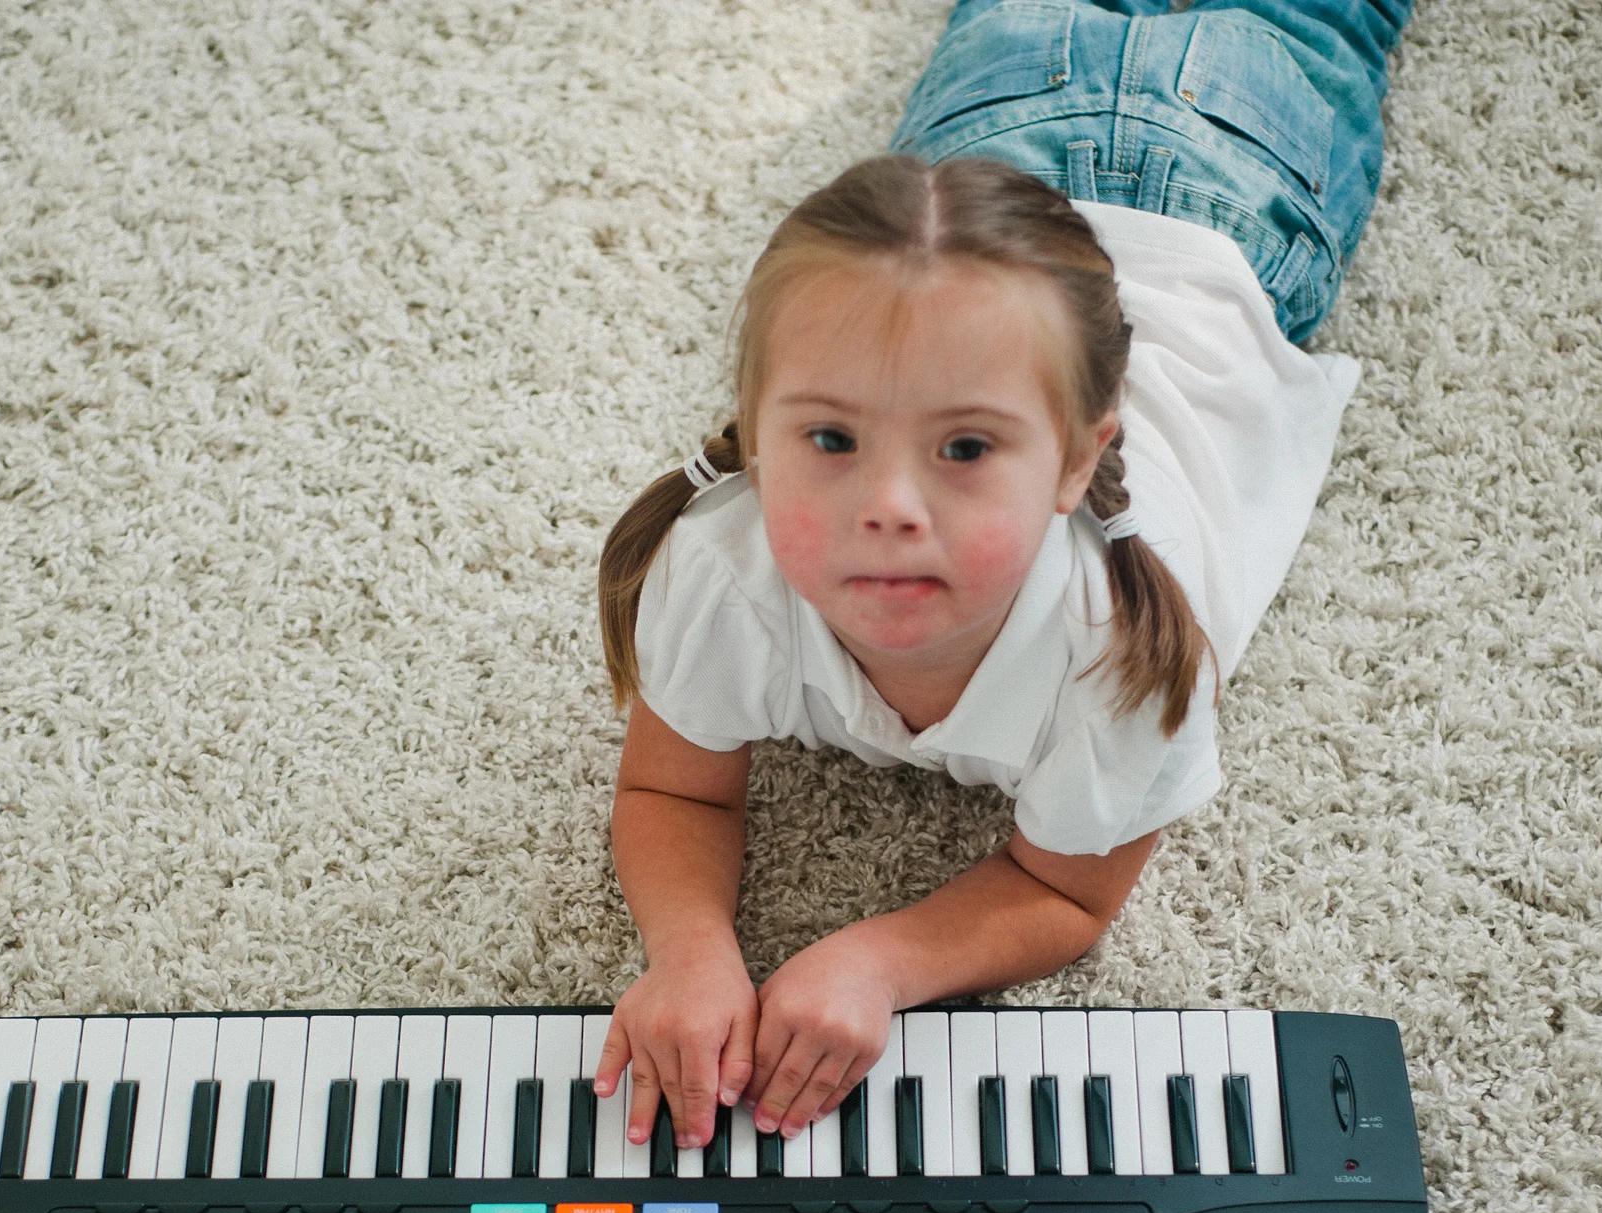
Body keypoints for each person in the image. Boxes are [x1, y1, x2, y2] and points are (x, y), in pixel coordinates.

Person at [588, 0, 1413, 1152]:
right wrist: (686, 947)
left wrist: (884, 956)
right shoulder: (718, 569)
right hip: (985, 174)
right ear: (754, 432)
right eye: (829, 440)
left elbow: (1067, 891)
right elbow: (671, 789)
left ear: (1080, 459)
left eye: (964, 449)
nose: (888, 504)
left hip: (1226, 184)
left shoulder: (1122, 648)